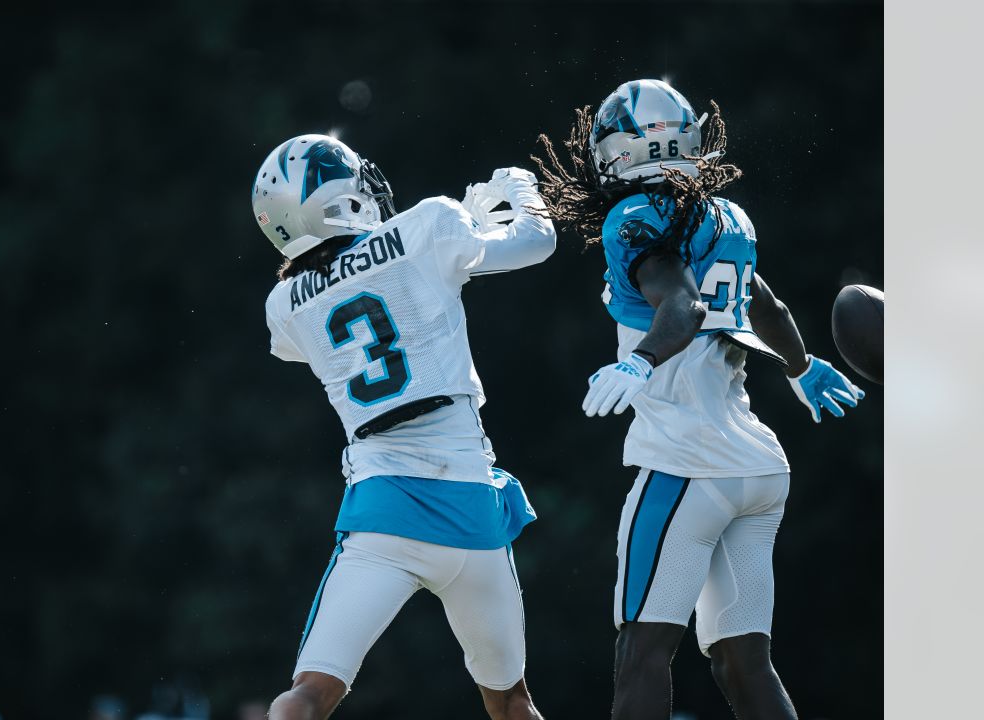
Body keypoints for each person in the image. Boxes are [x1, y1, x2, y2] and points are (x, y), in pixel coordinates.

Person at [532, 80, 865, 720]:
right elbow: (766, 303)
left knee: (642, 652)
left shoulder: (633, 217)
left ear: (615, 153)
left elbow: (683, 303)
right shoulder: (726, 215)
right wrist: (800, 369)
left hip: (687, 464)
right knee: (745, 662)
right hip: (758, 468)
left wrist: (639, 360)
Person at [251, 133, 556, 720]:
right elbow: (534, 243)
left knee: (310, 694)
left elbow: (357, 287)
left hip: (384, 512)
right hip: (472, 509)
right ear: (341, 198)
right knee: (512, 703)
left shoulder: (284, 306)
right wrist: (522, 195)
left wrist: (451, 232)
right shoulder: (430, 225)